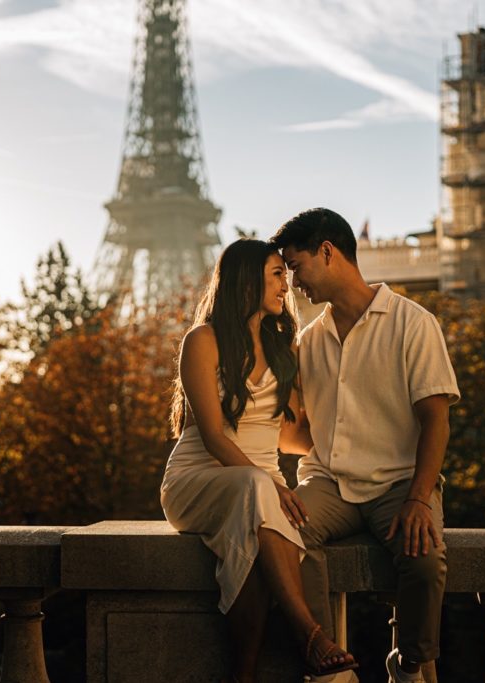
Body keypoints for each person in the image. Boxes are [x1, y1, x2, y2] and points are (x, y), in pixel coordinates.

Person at [270, 208, 460, 683]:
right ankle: (328, 664)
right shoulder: (307, 341)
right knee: (284, 532)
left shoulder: (414, 324)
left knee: (425, 559)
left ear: (328, 252)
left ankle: (410, 664)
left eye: (296, 267)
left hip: (399, 482)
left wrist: (419, 498)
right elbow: (295, 435)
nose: (293, 283)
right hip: (328, 482)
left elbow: (436, 420)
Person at [161, 238, 358, 683]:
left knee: (252, 533)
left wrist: (361, 448)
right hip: (199, 480)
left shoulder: (282, 350)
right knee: (257, 495)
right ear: (247, 280)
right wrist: (270, 485)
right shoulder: (203, 341)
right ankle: (310, 634)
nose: (285, 287)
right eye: (276, 275)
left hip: (260, 489)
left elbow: (291, 436)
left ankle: (243, 675)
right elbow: (212, 436)